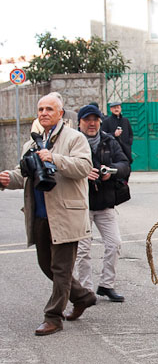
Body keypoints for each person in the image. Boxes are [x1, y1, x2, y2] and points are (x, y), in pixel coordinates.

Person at [0, 94, 96, 336]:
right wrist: (6, 179)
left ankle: (53, 317)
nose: (43, 113)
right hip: (41, 216)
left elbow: (84, 167)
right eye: (40, 109)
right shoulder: (31, 144)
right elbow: (22, 176)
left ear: (60, 113)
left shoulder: (75, 139)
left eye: (49, 109)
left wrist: (54, 158)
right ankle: (82, 296)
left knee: (60, 268)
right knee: (46, 265)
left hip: (66, 215)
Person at [75, 103, 131, 303]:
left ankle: (107, 285)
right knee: (82, 250)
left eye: (95, 120)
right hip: (81, 205)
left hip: (105, 202)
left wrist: (111, 171)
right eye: (87, 120)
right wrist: (82, 172)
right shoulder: (73, 142)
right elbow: (63, 167)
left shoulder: (108, 141)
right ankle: (85, 290)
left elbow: (125, 164)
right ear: (79, 122)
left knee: (114, 243)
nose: (92, 124)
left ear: (99, 121)